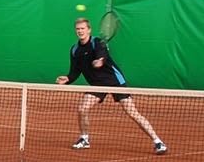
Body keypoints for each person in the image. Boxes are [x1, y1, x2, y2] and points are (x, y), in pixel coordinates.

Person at [56, 17, 167, 154]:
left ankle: (158, 142)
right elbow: (75, 71)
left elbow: (102, 55)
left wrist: (99, 61)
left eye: (83, 28)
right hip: (97, 84)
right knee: (82, 108)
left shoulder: (98, 43)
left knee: (132, 112)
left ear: (89, 30)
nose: (80, 31)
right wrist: (67, 78)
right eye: (78, 29)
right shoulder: (75, 50)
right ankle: (84, 138)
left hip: (115, 81)